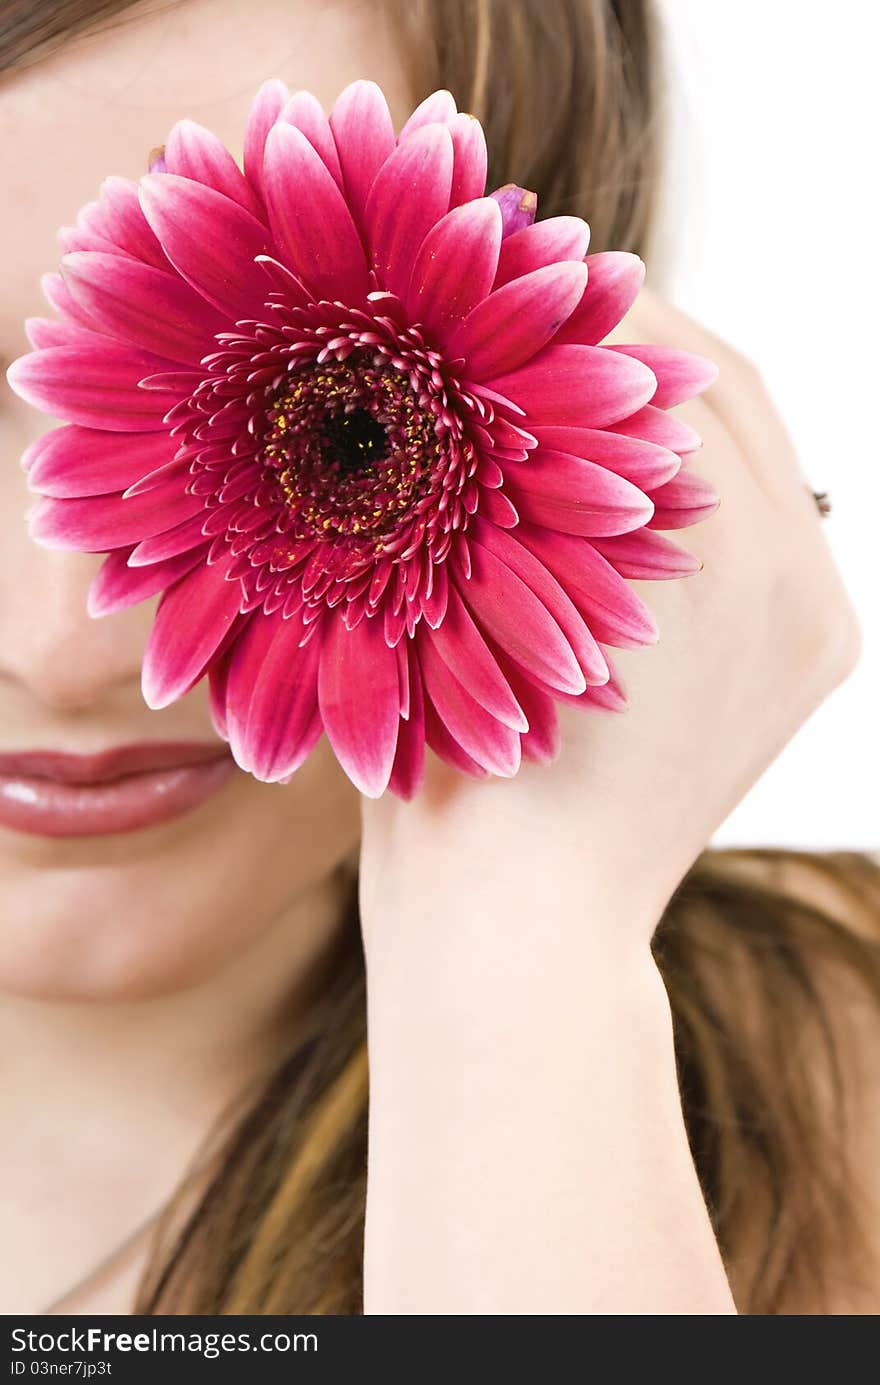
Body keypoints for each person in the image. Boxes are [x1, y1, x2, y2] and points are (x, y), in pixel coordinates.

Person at [0, 0, 876, 1317]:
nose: (63, 649)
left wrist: (532, 945)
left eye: (347, 415)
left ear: (586, 347)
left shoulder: (835, 1066)